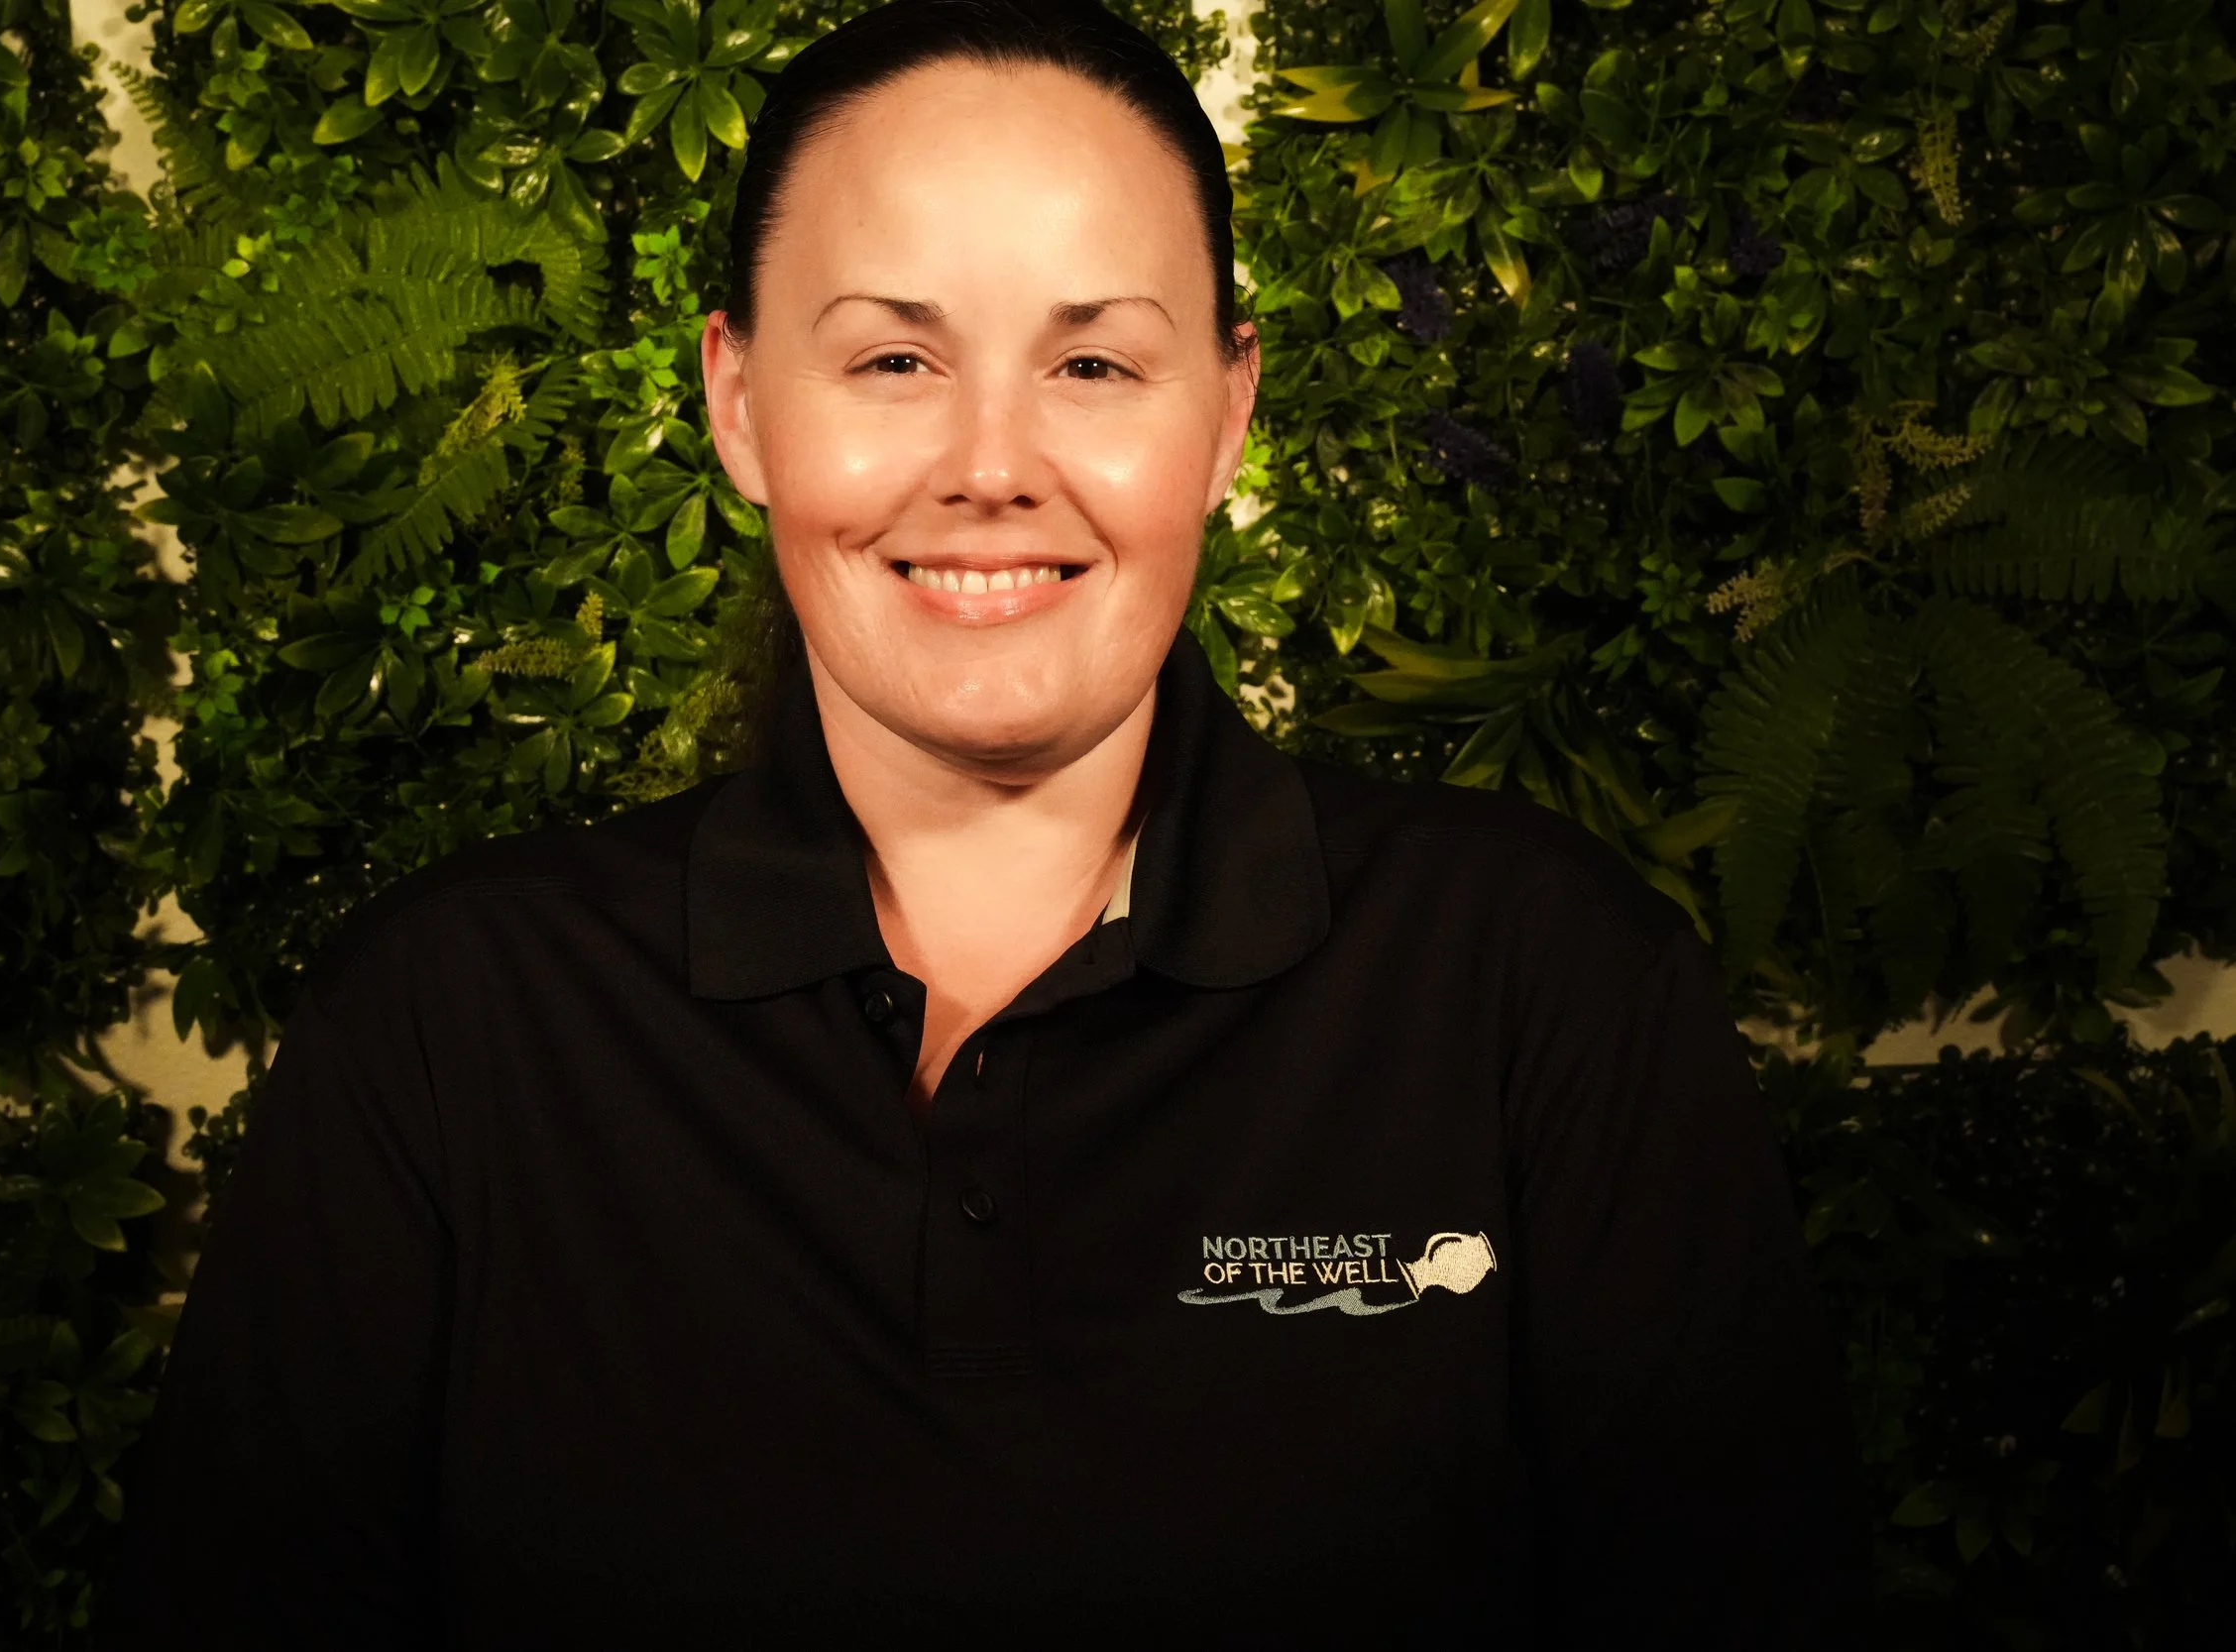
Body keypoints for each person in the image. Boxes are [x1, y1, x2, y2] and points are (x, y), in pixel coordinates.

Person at [111, 0, 1867, 1644]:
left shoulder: (1538, 987)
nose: (992, 462)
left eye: (1095, 368)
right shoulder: (451, 1025)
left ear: (1229, 413)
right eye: (891, 361)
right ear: (739, 404)